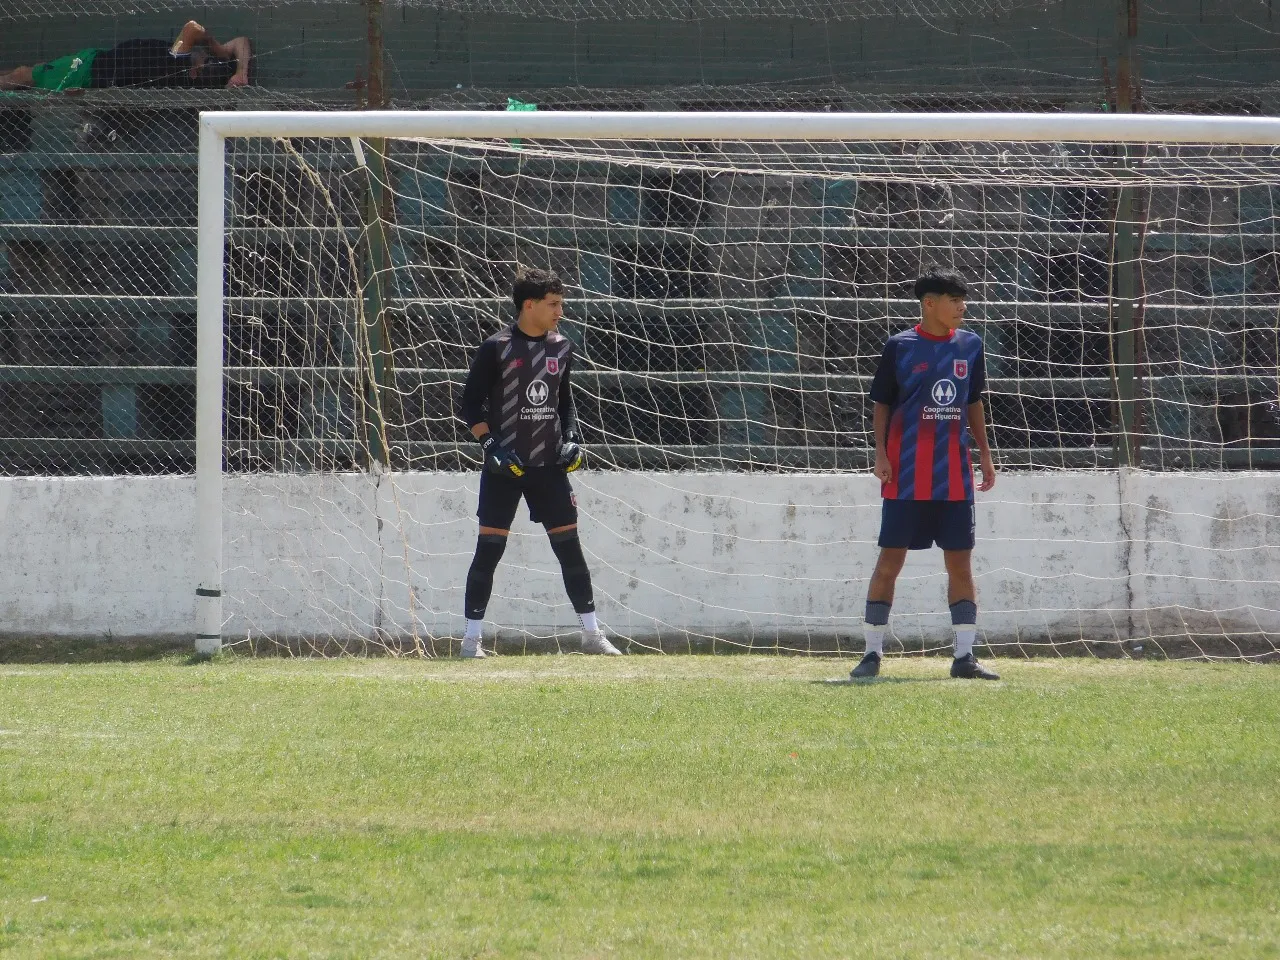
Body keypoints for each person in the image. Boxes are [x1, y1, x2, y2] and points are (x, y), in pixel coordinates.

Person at [457, 266, 621, 658]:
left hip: (548, 467)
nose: (560, 311)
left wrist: (574, 439)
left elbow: (565, 402)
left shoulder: (561, 346)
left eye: (560, 304)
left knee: (569, 548)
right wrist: (491, 445)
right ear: (528, 305)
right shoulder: (495, 347)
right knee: (489, 550)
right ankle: (470, 642)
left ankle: (592, 636)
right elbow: (469, 405)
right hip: (505, 469)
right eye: (553, 304)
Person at [850, 266, 1000, 681]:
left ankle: (964, 657)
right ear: (929, 304)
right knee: (890, 562)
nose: (962, 307)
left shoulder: (971, 345)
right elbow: (882, 403)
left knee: (961, 565)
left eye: (962, 300)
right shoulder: (899, 346)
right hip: (905, 475)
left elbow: (973, 402)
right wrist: (880, 453)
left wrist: (985, 455)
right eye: (954, 300)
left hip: (954, 477)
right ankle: (872, 654)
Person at [0, 21, 252, 92]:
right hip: (94, 62)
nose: (204, 56)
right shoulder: (183, 64)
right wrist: (240, 72)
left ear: (196, 72)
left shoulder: (178, 61)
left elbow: (193, 28)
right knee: (30, 70)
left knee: (25, 75)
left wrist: (212, 46)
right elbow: (241, 42)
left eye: (205, 60)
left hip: (88, 71)